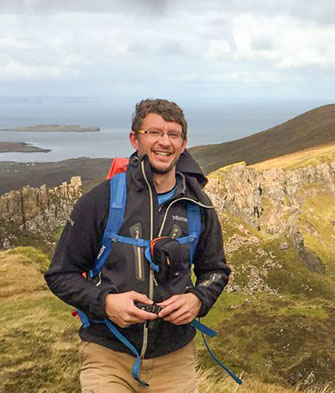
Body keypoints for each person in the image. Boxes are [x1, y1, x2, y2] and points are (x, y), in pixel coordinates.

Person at [45, 98, 231, 393]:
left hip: (175, 359)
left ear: (183, 144)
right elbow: (60, 274)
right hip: (107, 356)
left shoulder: (198, 206)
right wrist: (105, 303)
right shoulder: (101, 201)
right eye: (154, 133)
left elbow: (216, 271)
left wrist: (198, 300)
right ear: (135, 139)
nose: (164, 142)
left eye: (173, 134)